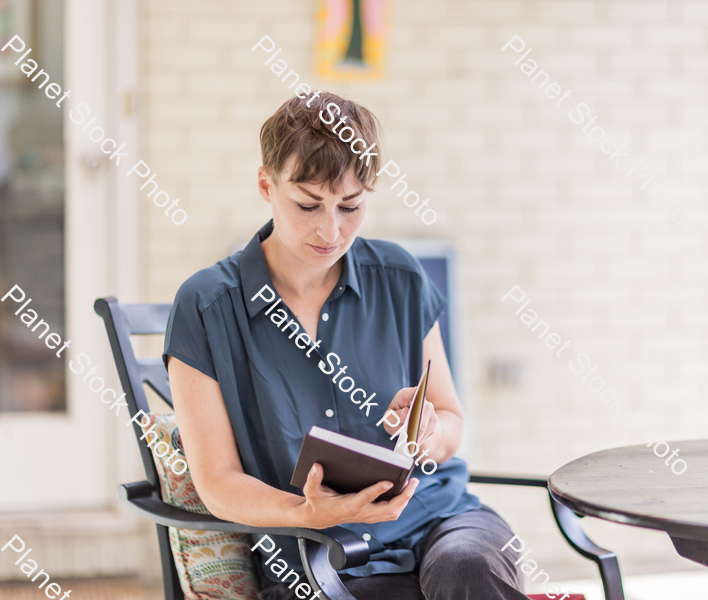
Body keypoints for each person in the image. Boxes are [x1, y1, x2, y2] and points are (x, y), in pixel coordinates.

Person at [163, 92, 530, 600]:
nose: (331, 230)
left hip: (441, 522)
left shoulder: (400, 278)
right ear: (266, 185)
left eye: (351, 206)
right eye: (308, 204)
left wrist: (427, 433)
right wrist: (307, 512)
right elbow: (218, 481)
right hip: (315, 552)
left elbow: (451, 422)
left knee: (469, 569)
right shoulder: (207, 306)